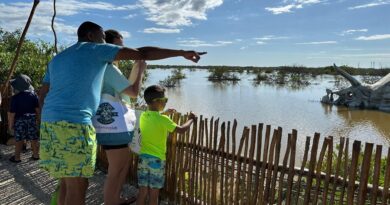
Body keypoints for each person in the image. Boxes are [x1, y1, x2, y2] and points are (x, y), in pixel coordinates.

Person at [38, 21, 205, 205]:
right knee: (78, 185)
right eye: (103, 38)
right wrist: (182, 53)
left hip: (49, 124)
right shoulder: (94, 49)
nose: (105, 43)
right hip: (74, 124)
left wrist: (44, 122)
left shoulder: (58, 59)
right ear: (91, 36)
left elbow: (43, 94)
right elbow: (143, 53)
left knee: (67, 182)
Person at [96, 29, 146, 205]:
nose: (122, 51)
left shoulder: (108, 67)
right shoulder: (108, 68)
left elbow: (125, 93)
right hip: (113, 127)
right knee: (116, 170)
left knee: (121, 166)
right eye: (119, 46)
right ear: (110, 46)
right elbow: (133, 93)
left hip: (111, 125)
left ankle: (116, 200)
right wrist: (141, 72)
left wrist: (137, 67)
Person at [136, 85, 196, 205]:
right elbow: (182, 130)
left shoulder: (143, 115)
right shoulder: (163, 120)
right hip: (157, 161)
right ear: (157, 102)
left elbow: (155, 119)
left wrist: (164, 113)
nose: (165, 103)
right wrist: (191, 119)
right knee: (154, 194)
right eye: (165, 100)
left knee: (142, 191)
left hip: (143, 159)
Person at [8, 74, 39, 163]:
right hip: (32, 119)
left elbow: (12, 114)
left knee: (19, 139)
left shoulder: (15, 98)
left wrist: (10, 126)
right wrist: (39, 120)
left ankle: (17, 158)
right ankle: (36, 155)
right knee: (34, 138)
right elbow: (37, 110)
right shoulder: (33, 95)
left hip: (20, 120)